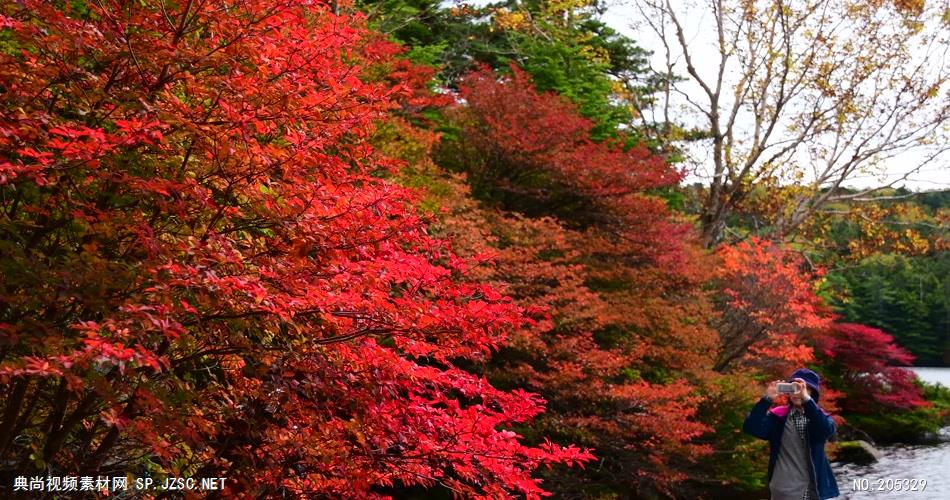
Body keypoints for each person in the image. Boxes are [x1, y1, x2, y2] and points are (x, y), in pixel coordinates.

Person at [742, 368, 840, 500]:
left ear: (812, 394)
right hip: (782, 489)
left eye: (803, 389)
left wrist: (806, 400)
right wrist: (767, 399)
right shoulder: (778, 417)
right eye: (793, 388)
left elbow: (825, 431)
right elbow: (751, 428)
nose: (797, 393)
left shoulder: (820, 418)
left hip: (812, 489)